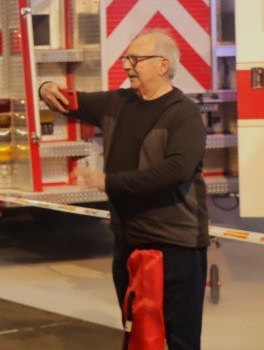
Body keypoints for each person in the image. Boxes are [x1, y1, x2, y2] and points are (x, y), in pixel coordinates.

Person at [38, 29, 208, 350]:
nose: (127, 66)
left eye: (135, 59)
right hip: (128, 242)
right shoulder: (117, 103)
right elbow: (69, 101)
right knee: (139, 332)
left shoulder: (184, 114)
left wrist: (108, 183)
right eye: (126, 58)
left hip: (175, 246)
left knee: (179, 339)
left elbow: (177, 171)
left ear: (162, 65)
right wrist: (45, 88)